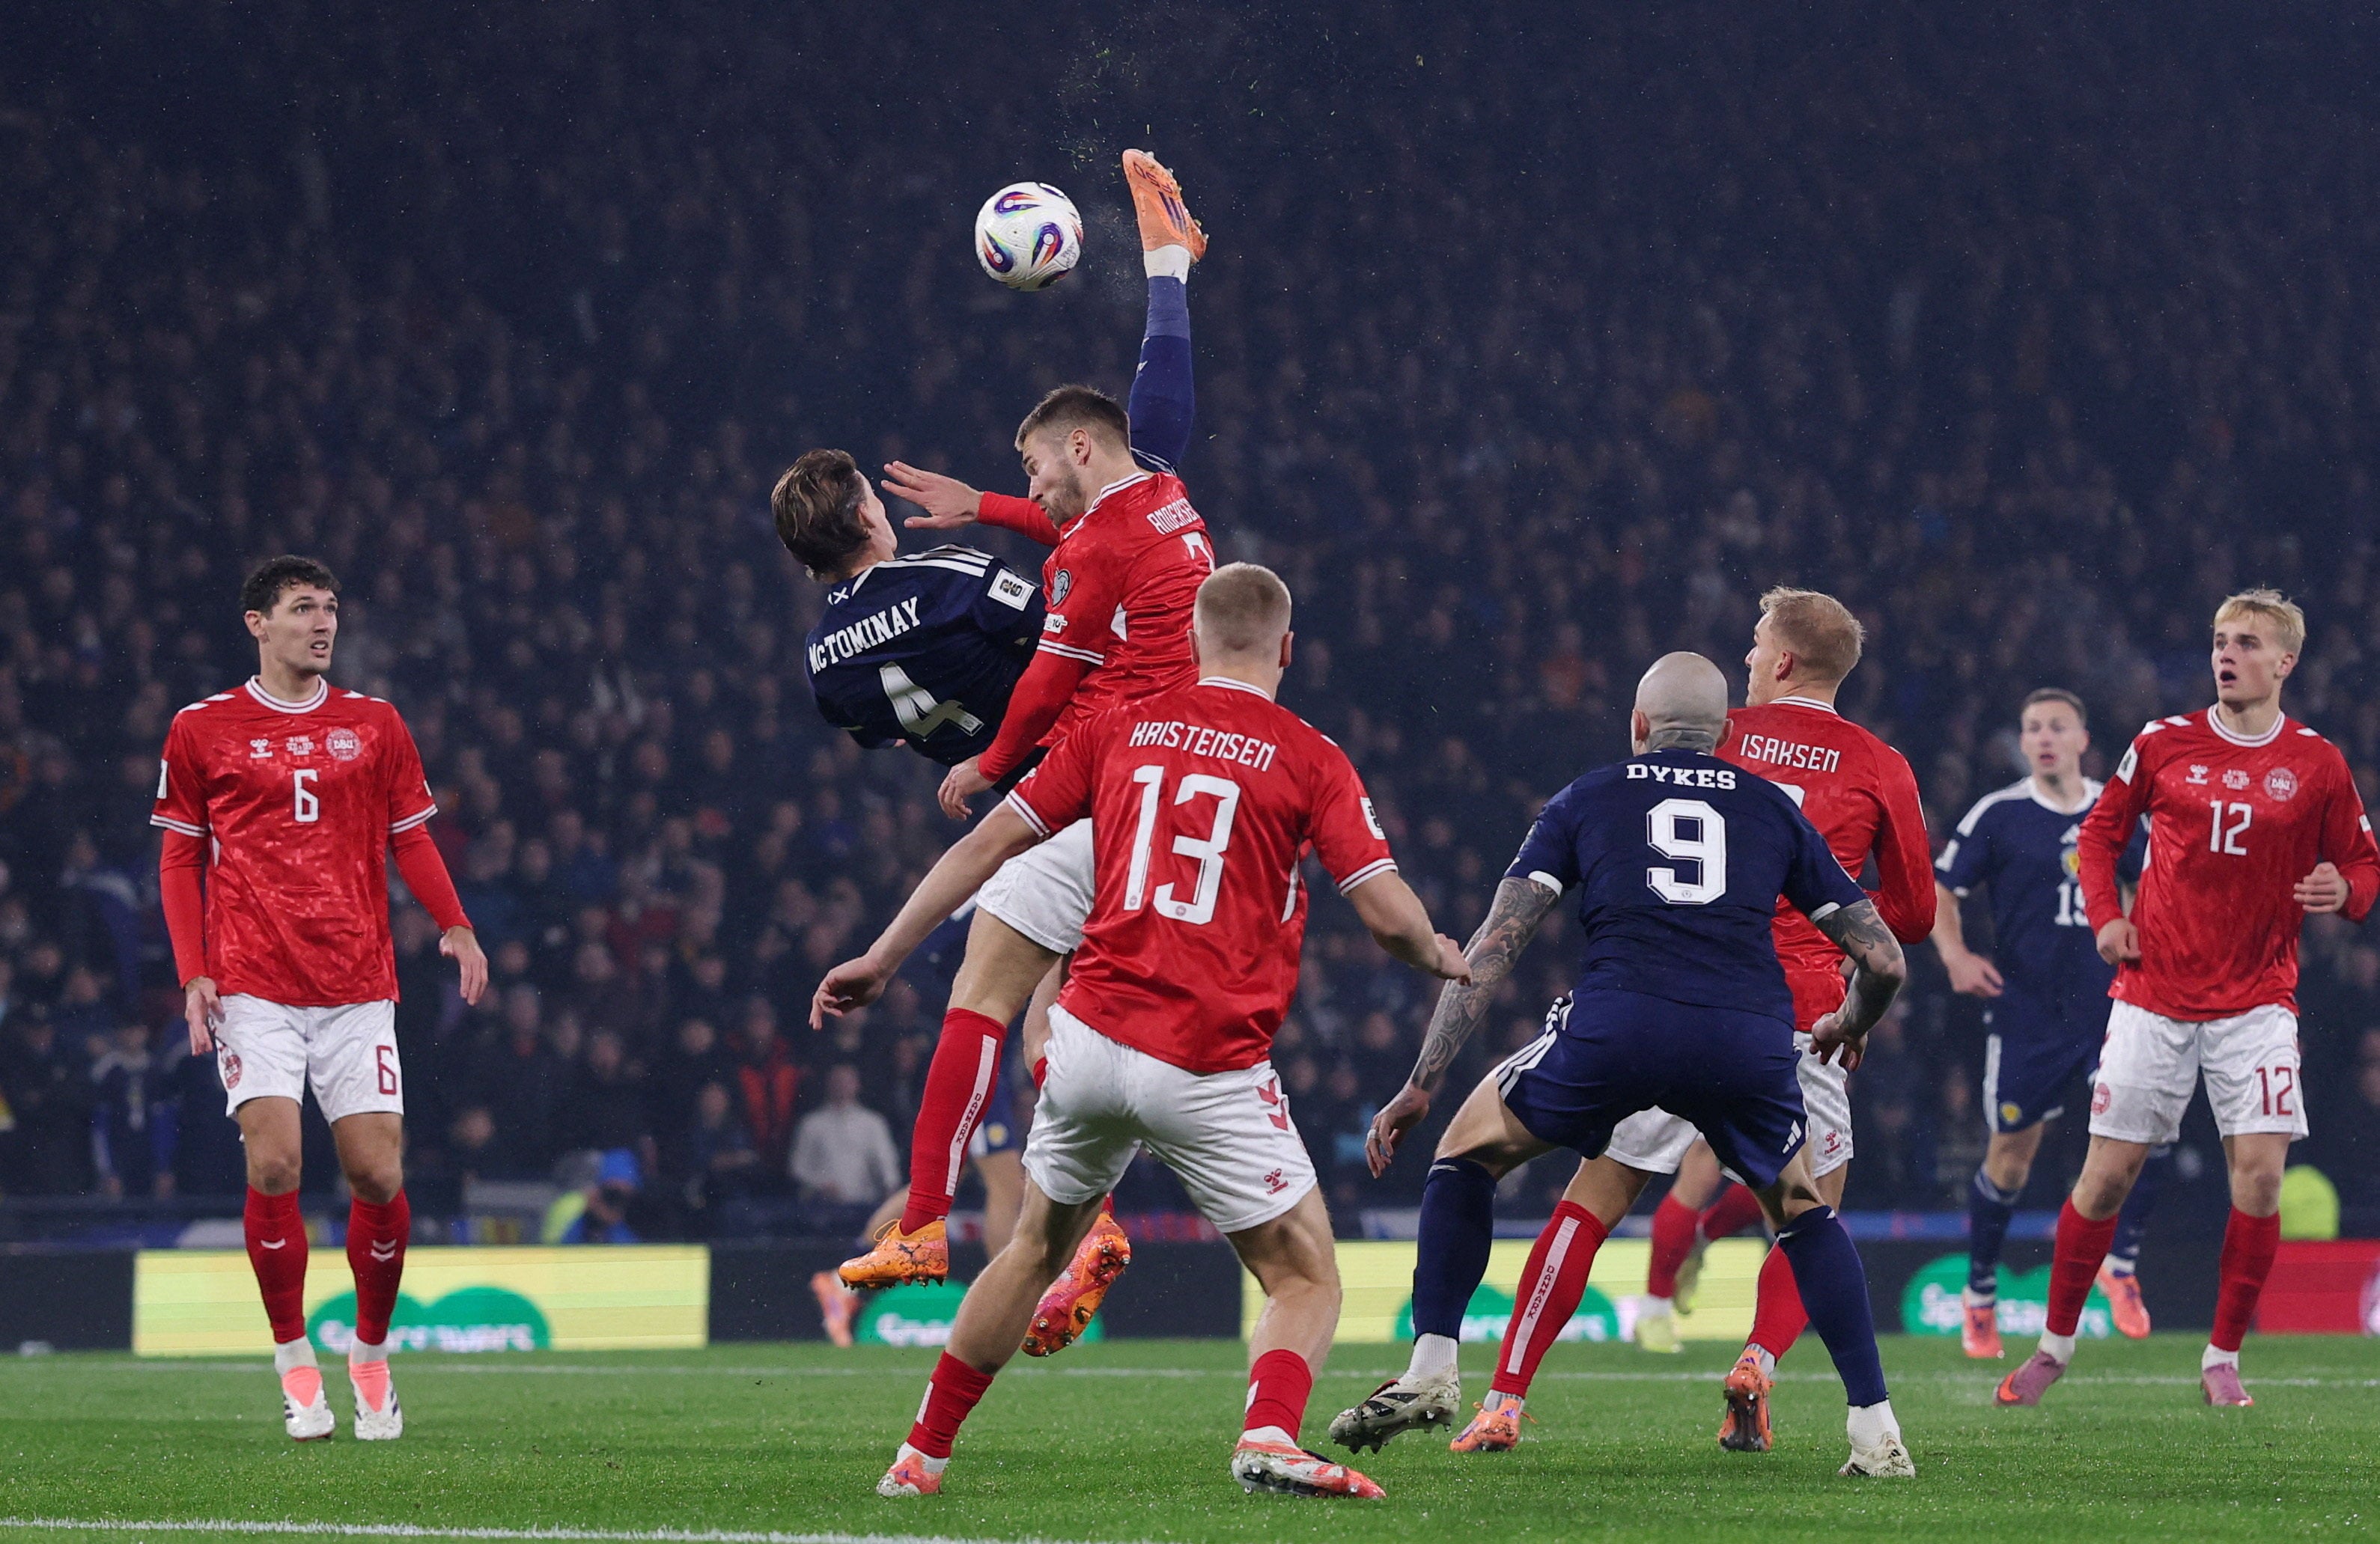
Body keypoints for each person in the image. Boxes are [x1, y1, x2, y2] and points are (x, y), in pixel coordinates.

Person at [814, 564, 1468, 1499]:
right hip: (1204, 1060)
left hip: (1084, 1043)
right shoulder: (1309, 755)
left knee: (1032, 1250)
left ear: (1192, 640)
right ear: (1286, 648)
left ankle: (919, 1454)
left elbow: (985, 843)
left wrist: (880, 956)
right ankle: (1268, 1434)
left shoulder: (1118, 726)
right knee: (1304, 1276)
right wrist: (1437, 952)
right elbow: (1387, 917)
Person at [1333, 653, 1917, 1479]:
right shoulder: (1769, 808)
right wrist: (1846, 1021)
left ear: (1638, 725)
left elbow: (1494, 949)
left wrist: (1419, 1083)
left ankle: (1434, 1369)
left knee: (1465, 1150)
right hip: (1745, 1038)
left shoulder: (1587, 796)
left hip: (1620, 1026)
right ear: (1724, 733)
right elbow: (1884, 958)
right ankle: (1875, 1430)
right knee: (1801, 1209)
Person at [824, 150, 1216, 1360]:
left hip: (1114, 748)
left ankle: (925, 1217)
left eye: (1036, 469)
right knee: (1053, 1018)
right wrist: (1163, 274)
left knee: (982, 921)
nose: (1030, 487)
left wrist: (987, 759)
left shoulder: (1091, 550)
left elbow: (1047, 680)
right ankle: (1075, 1230)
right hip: (1184, 771)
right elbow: (1153, 405)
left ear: (1077, 454)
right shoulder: (1158, 493)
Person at [1464, 588, 1934, 1446]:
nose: (1746, 657)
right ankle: (1758, 1359)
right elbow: (1910, 912)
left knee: (1593, 1197)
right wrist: (1838, 950)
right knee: (1806, 1212)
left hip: (1671, 993)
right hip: (1799, 1018)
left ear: (1782, 660)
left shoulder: (1720, 734)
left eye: (1755, 644)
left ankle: (1503, 1397)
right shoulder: (1880, 764)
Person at [1997, 590, 2380, 1409]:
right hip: (2152, 995)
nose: (2225, 655)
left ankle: (2221, 1358)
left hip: (2258, 1002)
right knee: (2104, 1179)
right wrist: (2105, 916)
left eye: (2245, 643)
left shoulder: (2317, 763)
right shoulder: (2160, 741)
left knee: (2260, 1182)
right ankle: (2052, 1348)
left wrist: (2343, 888)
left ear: (2285, 662)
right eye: (2218, 640)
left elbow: (2364, 865)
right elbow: (2098, 834)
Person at [150, 554, 489, 1443]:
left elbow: (411, 837)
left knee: (376, 1172)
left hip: (357, 983)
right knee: (275, 1165)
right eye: (303, 607)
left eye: (330, 607)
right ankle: (293, 1356)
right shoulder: (201, 727)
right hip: (252, 981)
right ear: (258, 623)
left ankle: (369, 1353)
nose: (323, 622)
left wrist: (454, 923)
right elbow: (180, 856)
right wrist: (194, 970)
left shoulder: (374, 723)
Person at [1933, 689, 2162, 1358]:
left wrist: (2142, 940)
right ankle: (1979, 1296)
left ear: (2082, 740)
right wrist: (1955, 956)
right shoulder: (1999, 813)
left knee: (2138, 1135)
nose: (2043, 738)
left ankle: (2121, 1266)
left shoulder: (2115, 810)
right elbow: (1943, 885)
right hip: (2027, 1013)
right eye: (2032, 727)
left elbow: (2149, 886)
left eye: (2056, 727)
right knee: (2010, 1159)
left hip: (2106, 1007)